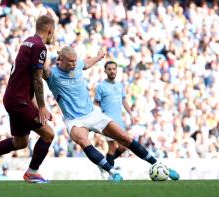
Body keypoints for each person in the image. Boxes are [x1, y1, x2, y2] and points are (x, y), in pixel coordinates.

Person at [43, 46, 180, 182]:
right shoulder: (51, 74)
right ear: (61, 60)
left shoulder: (77, 65)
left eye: (75, 60)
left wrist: (99, 56)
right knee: (84, 141)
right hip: (74, 120)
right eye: (70, 62)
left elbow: (85, 64)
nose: (74, 64)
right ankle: (112, 172)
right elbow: (38, 71)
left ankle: (159, 165)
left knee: (124, 137)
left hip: (92, 114)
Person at [0, 15, 56, 183]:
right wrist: (42, 107)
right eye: (54, 32)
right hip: (19, 100)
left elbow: (27, 78)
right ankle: (32, 173)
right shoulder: (39, 46)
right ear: (49, 30)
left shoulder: (28, 42)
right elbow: (37, 79)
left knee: (21, 142)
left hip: (13, 97)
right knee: (48, 134)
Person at [94, 61, 130, 175]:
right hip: (107, 122)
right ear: (105, 71)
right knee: (113, 146)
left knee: (124, 147)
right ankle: (111, 173)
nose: (112, 71)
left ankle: (105, 164)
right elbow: (96, 103)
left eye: (114, 69)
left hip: (119, 121)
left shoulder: (120, 85)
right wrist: (98, 118)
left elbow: (123, 99)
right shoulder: (100, 87)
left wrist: (131, 113)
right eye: (109, 69)